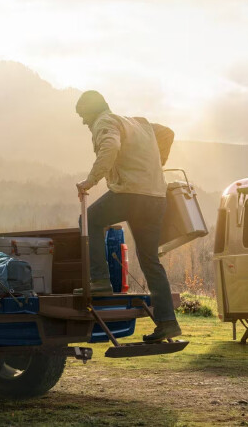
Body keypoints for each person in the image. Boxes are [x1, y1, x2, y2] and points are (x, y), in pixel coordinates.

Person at [74, 90, 179, 342]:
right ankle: (168, 322)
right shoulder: (139, 123)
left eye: (83, 116)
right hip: (156, 197)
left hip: (131, 195)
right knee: (150, 261)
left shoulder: (105, 122)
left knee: (89, 220)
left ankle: (99, 280)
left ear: (91, 111)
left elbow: (110, 147)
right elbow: (167, 133)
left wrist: (90, 181)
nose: (84, 123)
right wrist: (156, 164)